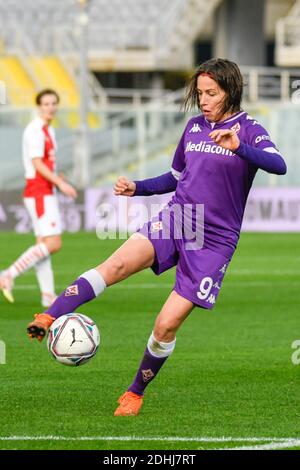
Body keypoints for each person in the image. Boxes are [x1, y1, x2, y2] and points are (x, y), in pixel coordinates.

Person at [26, 59, 286, 416]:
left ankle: (135, 392)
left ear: (231, 91)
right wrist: (138, 188)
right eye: (200, 94)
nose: (204, 100)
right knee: (116, 264)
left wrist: (238, 145)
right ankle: (49, 315)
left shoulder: (249, 128)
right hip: (180, 218)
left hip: (215, 241)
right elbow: (175, 178)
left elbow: (278, 164)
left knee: (166, 325)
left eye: (212, 93)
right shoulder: (194, 128)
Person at [0, 89, 77, 307]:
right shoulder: (34, 130)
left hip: (44, 190)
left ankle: (47, 295)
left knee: (43, 244)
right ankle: (8, 274)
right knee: (53, 243)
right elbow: (36, 163)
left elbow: (44, 163)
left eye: (54, 103)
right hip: (39, 192)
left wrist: (57, 178)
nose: (51, 107)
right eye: (46, 103)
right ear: (39, 106)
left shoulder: (48, 130)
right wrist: (60, 182)